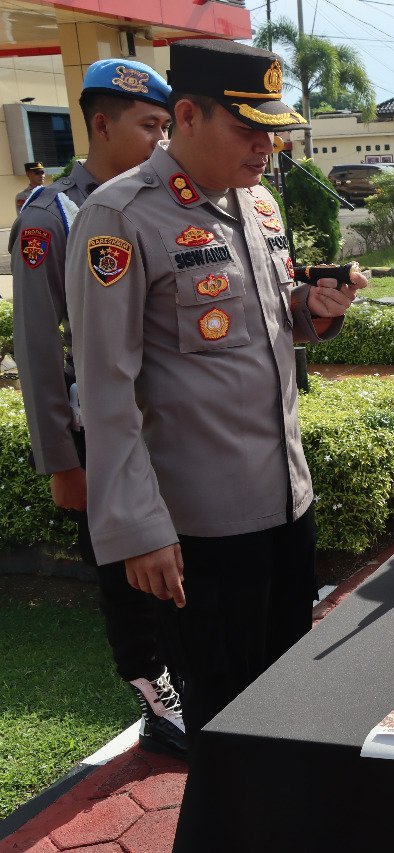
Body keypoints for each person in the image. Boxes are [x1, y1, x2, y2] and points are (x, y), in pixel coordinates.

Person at [64, 39, 365, 753]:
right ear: (188, 116)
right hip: (202, 526)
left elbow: (262, 321)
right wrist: (139, 527)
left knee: (287, 705)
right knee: (227, 724)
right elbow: (105, 389)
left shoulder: (256, 203)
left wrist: (313, 310)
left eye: (273, 131)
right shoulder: (121, 216)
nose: (266, 147)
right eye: (247, 129)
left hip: (286, 502)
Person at [9, 58, 187, 758]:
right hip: (100, 435)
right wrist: (62, 461)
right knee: (123, 571)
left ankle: (189, 676)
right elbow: (36, 346)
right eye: (148, 125)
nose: (160, 139)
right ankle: (156, 696)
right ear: (102, 125)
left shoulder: (160, 200)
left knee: (175, 563)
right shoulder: (50, 215)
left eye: (166, 126)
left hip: (165, 428)